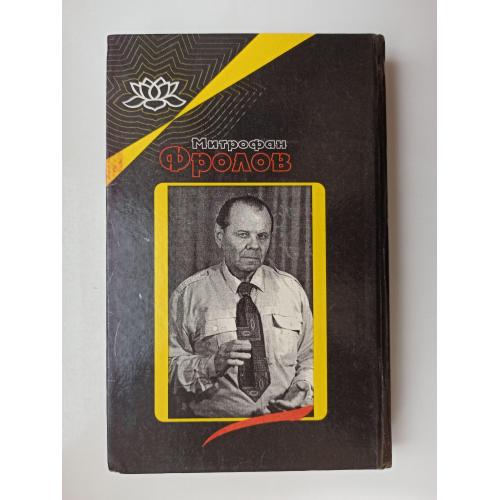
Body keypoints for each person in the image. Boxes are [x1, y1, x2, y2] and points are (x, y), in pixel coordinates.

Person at [168, 195, 313, 417]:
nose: (254, 245)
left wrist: (302, 386)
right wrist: (211, 365)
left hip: (283, 426)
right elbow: (166, 368)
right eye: (243, 234)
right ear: (220, 236)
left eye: (262, 236)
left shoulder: (291, 290)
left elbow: (310, 356)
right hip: (214, 429)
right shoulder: (188, 295)